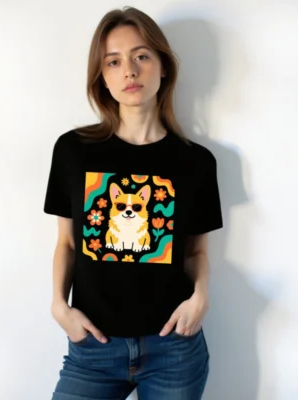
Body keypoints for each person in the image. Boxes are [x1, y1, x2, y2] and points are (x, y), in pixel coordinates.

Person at [43, 6, 223, 400]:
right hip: (93, 349)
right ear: (102, 77)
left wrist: (201, 297)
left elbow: (196, 251)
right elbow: (68, 242)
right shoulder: (73, 151)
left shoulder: (196, 162)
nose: (129, 70)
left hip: (174, 348)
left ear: (163, 67)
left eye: (141, 56)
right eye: (114, 61)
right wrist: (59, 305)